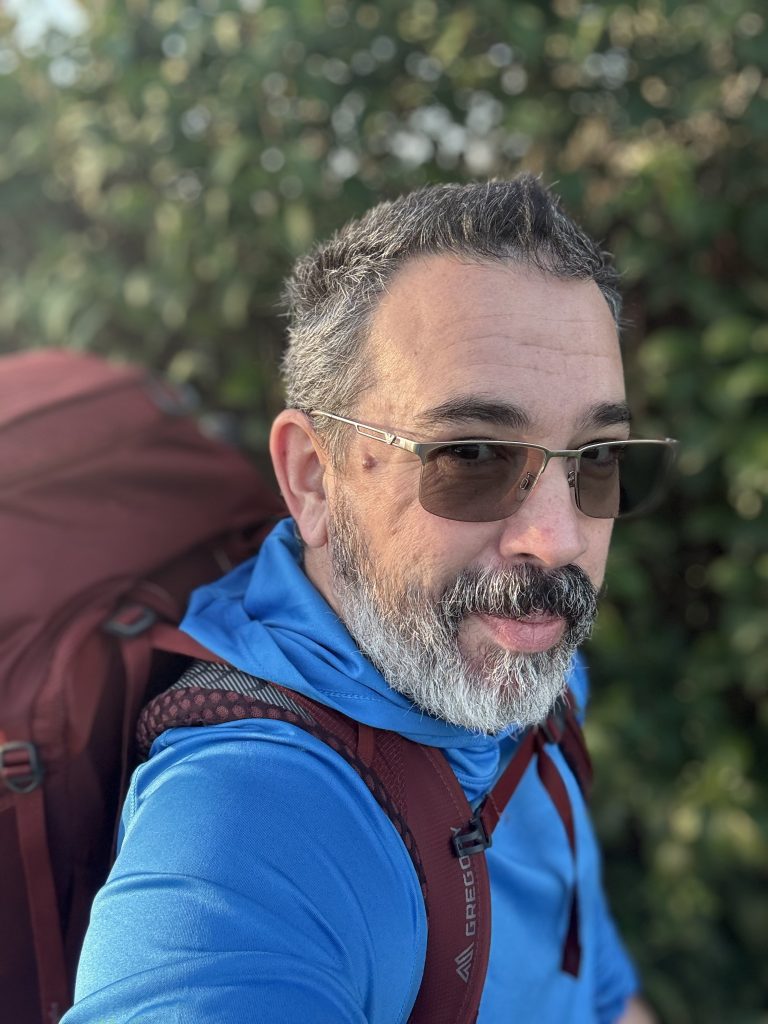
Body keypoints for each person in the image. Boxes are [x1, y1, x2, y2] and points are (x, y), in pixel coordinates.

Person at [63, 177, 673, 1023]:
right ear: (315, 479)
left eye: (596, 458)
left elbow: (596, 992)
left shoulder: (528, 671)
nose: (560, 538)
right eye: (471, 456)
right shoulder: (247, 825)